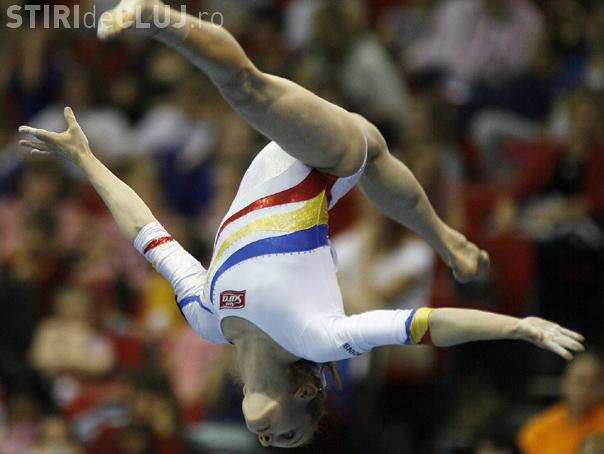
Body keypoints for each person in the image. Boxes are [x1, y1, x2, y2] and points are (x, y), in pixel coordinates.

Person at [19, 1, 584, 447]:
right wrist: (517, 327)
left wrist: (87, 160)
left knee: (371, 151)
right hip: (326, 162)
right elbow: (427, 324)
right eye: (290, 435)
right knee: (249, 89)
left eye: (273, 444)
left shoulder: (208, 319)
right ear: (306, 394)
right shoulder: (317, 336)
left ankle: (447, 240)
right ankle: (154, 15)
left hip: (303, 153)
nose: (271, 441)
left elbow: (148, 233)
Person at [517, 353, 604, 454]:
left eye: (593, 385)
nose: (585, 390)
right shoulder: (538, 429)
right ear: (564, 382)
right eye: (580, 382)